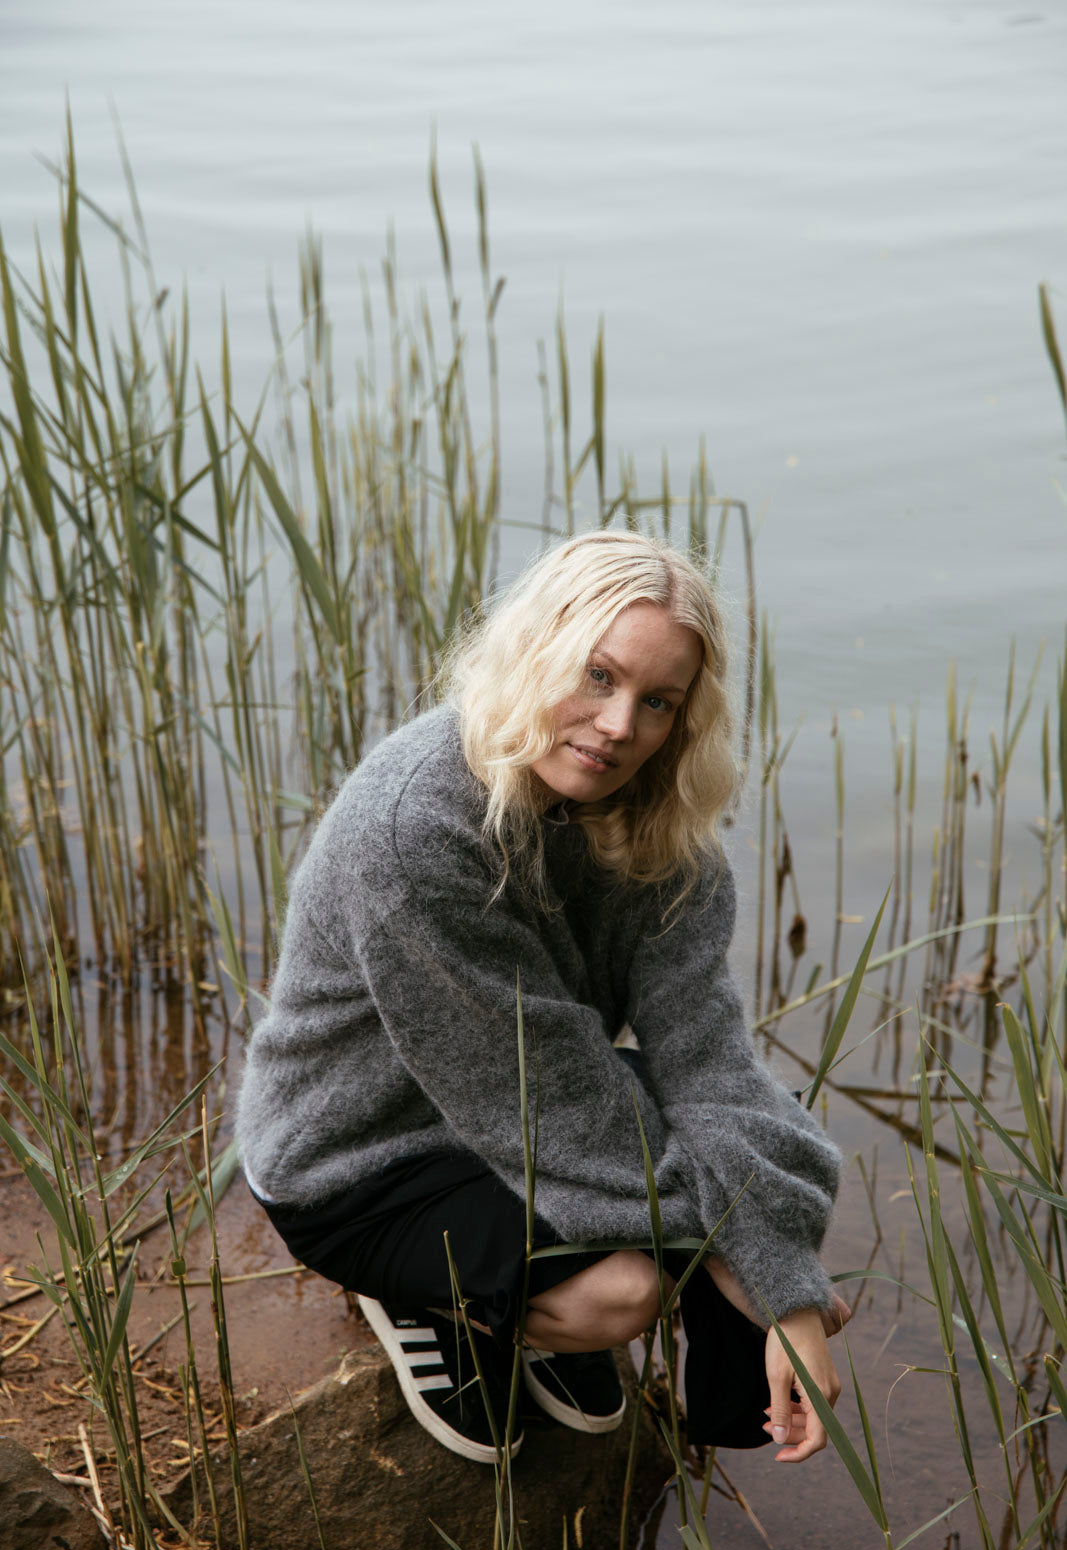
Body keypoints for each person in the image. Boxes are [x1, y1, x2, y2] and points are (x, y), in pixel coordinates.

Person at [236, 529, 847, 1469]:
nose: (619, 725)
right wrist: (760, 1264)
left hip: (529, 1096)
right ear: (535, 650)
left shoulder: (660, 827)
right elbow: (545, 1101)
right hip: (363, 1154)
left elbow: (707, 1059)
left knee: (766, 1138)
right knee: (623, 1293)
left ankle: (534, 1300)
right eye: (597, 676)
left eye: (657, 701)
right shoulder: (413, 831)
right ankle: (430, 1302)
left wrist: (777, 1268)